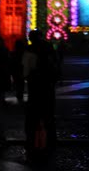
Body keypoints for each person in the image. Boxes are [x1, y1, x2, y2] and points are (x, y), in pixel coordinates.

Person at [23, 30, 58, 160]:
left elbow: (25, 70)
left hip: (35, 86)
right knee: (49, 115)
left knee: (33, 116)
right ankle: (51, 141)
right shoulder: (49, 48)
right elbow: (56, 65)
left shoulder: (30, 50)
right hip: (48, 86)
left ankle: (32, 142)